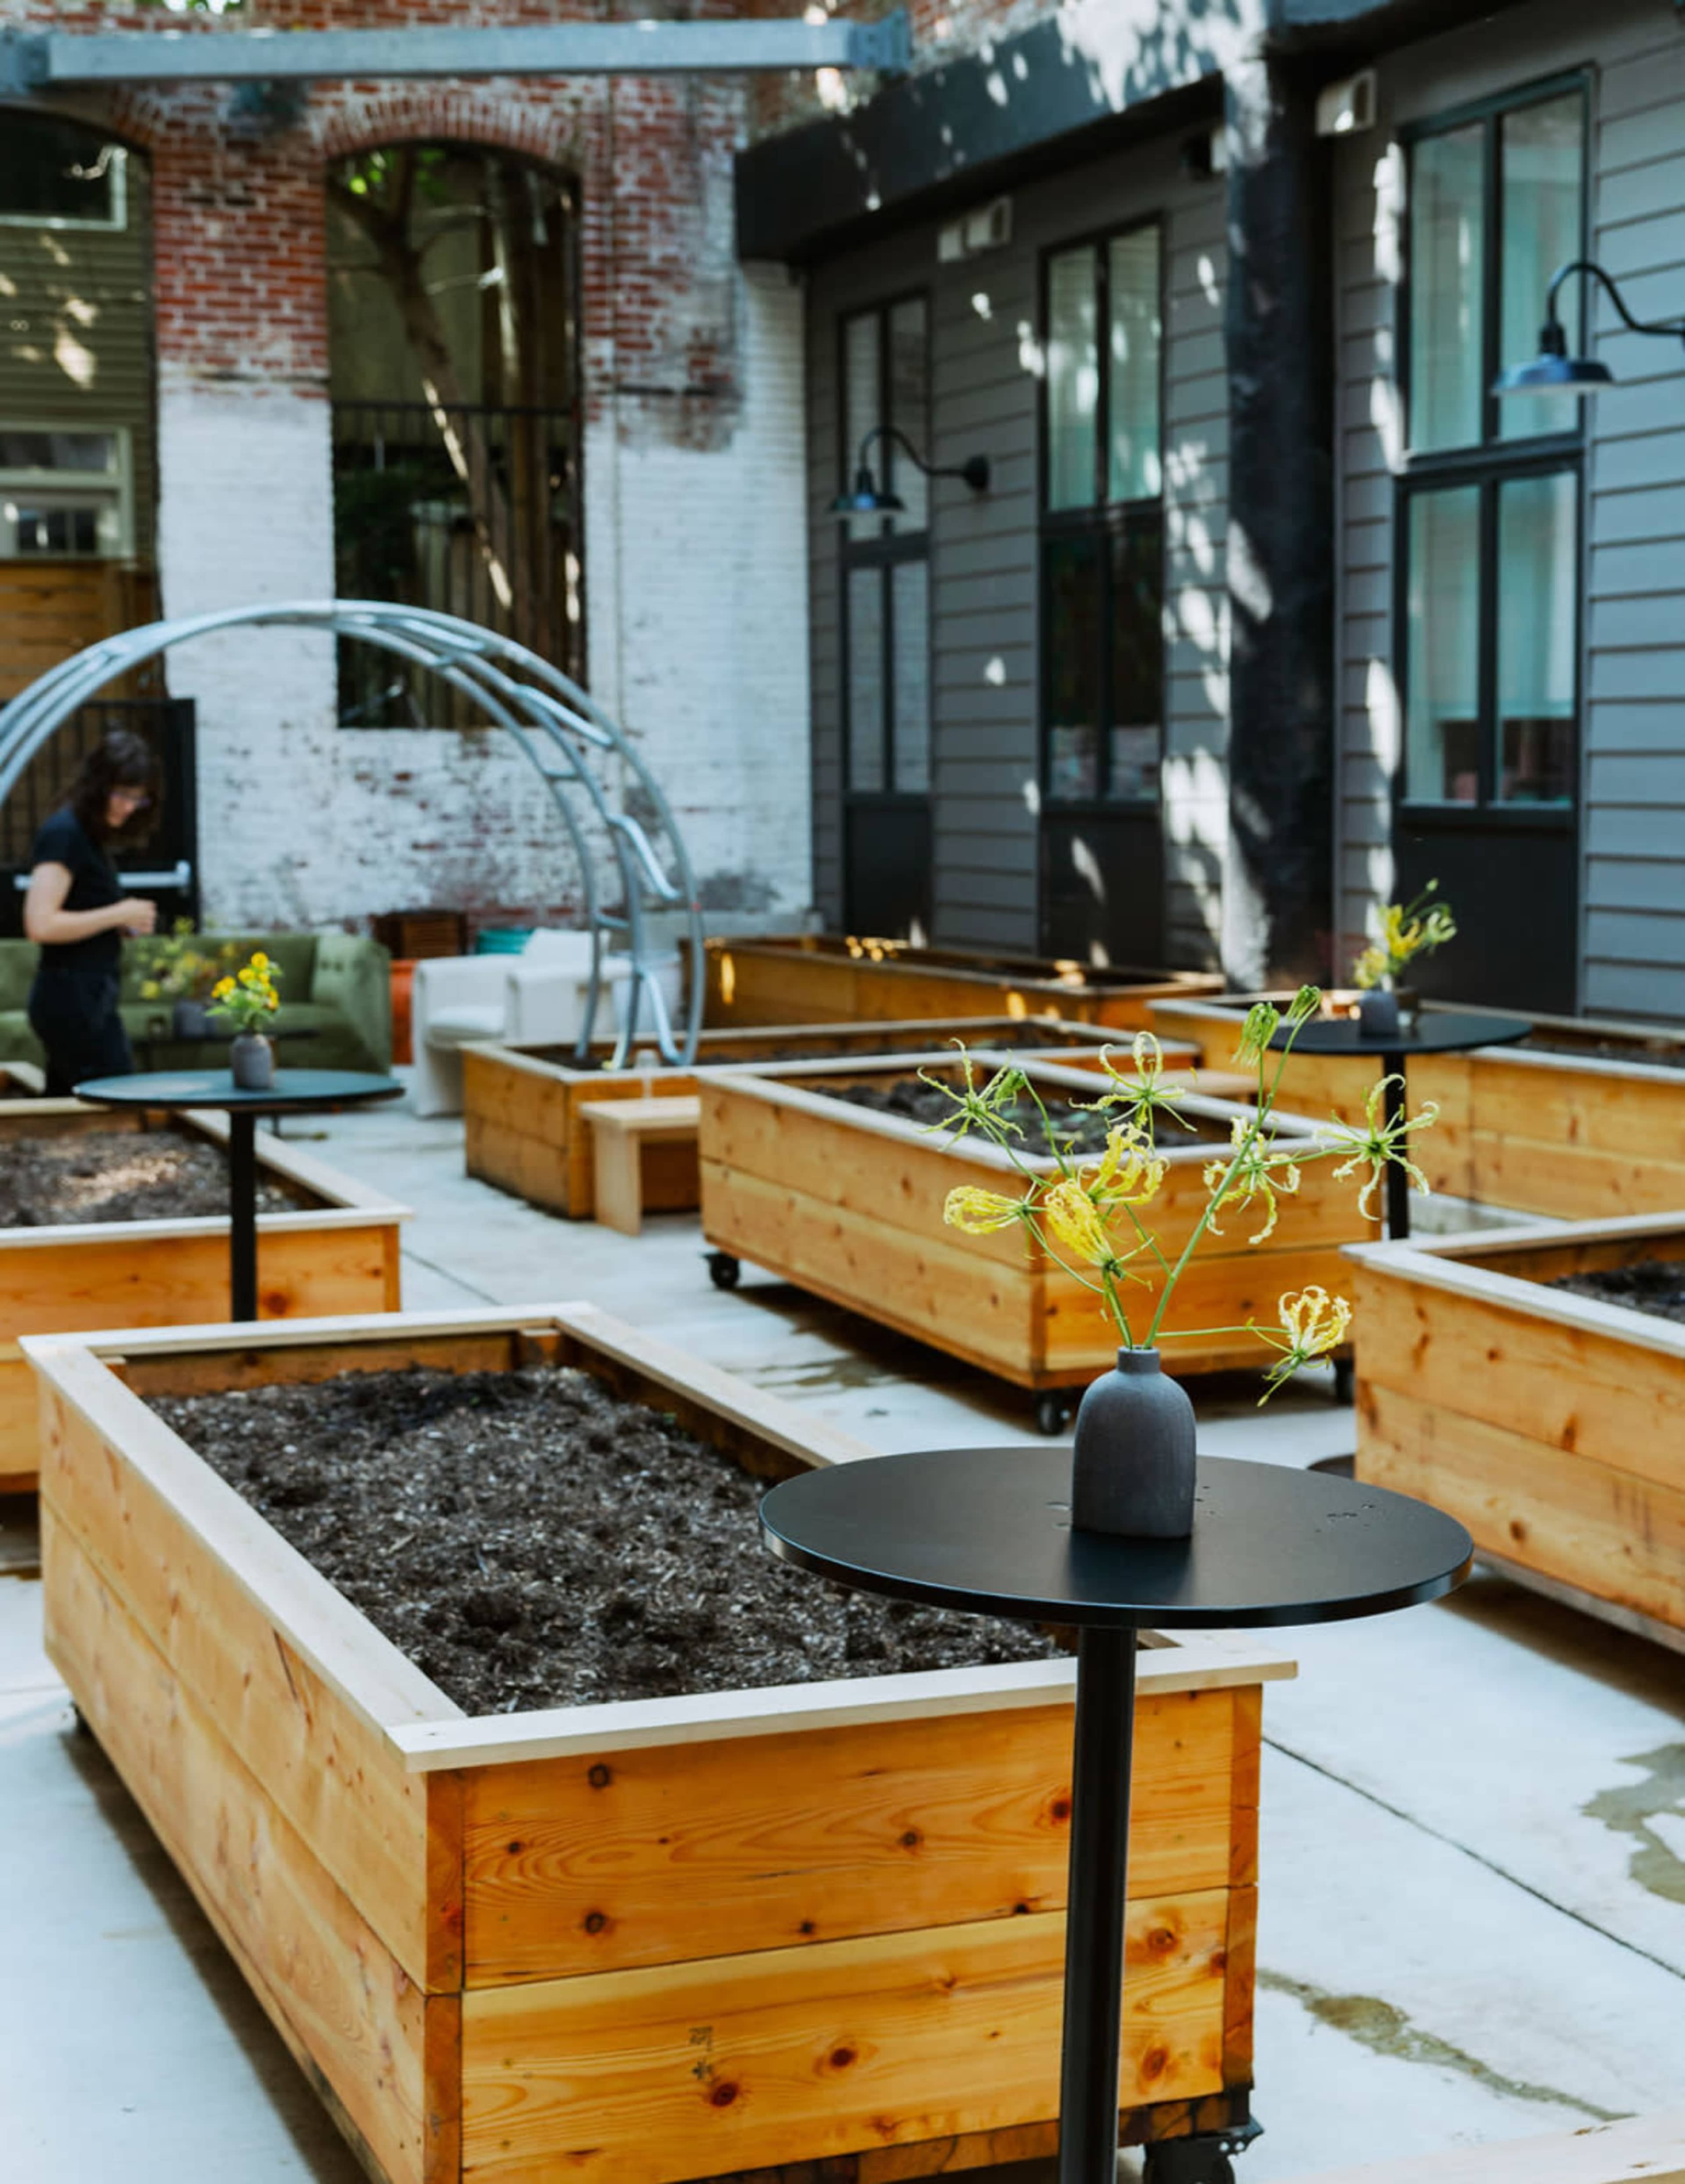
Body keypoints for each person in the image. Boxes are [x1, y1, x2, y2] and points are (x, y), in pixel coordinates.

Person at [23, 729, 161, 1095]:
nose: (128, 806)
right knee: (115, 1103)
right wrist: (118, 913)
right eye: (121, 793)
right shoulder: (65, 833)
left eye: (138, 798)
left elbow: (78, 914)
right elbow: (40, 924)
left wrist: (122, 922)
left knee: (67, 1112)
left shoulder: (88, 837)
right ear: (97, 785)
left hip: (87, 996)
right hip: (72, 998)